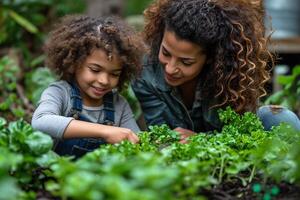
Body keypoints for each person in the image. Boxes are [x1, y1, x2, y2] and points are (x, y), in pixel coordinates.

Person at [132, 0, 300, 141]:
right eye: (166, 53)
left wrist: (200, 139)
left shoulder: (231, 75)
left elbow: (240, 134)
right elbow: (161, 132)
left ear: (211, 58)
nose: (170, 68)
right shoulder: (144, 69)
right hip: (179, 159)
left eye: (186, 62)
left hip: (228, 154)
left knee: (281, 118)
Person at [32, 15, 144, 158]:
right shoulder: (60, 93)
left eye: (114, 74)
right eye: (95, 70)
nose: (104, 80)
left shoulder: (119, 105)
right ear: (73, 63)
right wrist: (105, 131)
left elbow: (136, 142)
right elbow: (41, 121)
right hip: (56, 175)